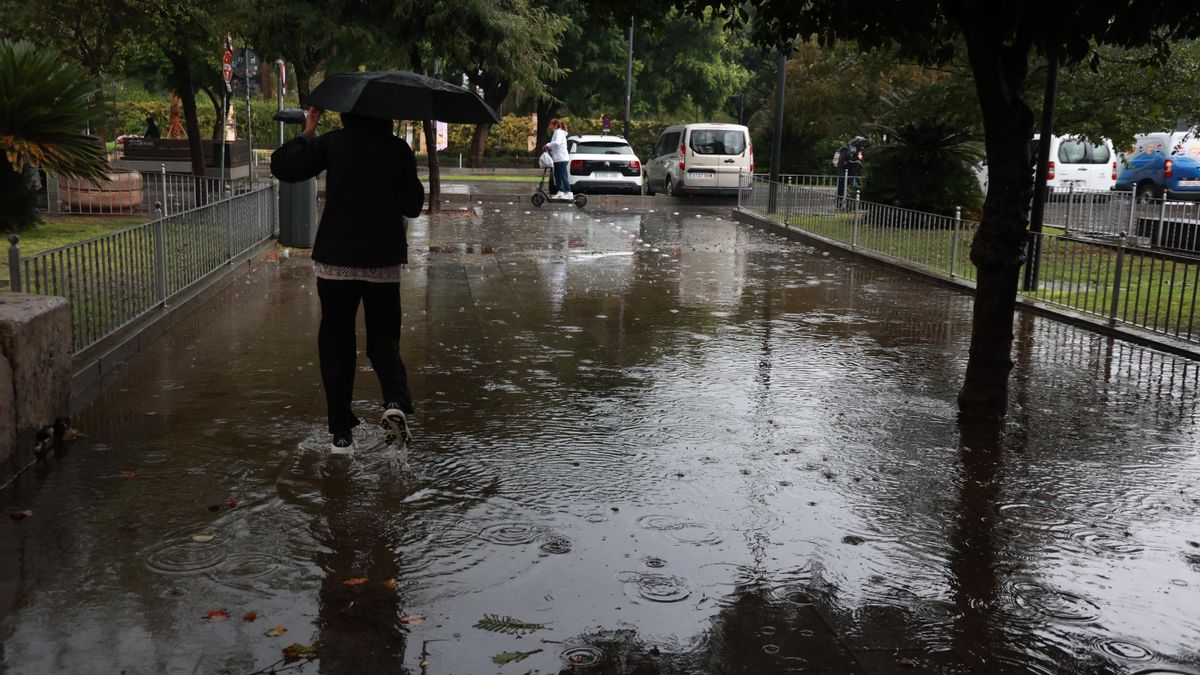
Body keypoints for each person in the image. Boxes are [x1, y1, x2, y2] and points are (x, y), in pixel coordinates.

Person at [270, 107, 425, 453]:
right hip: (382, 261)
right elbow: (413, 206)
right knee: (384, 339)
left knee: (336, 342)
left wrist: (307, 133)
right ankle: (394, 401)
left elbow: (283, 167)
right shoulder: (397, 149)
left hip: (336, 260)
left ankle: (341, 433)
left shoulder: (332, 144)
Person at [543, 118, 572, 202]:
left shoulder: (558, 133)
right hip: (558, 158)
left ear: (555, 125)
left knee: (562, 175)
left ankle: (569, 193)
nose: (549, 126)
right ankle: (560, 192)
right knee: (557, 175)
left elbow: (558, 142)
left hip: (561, 158)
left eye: (551, 125)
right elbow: (556, 145)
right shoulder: (557, 133)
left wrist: (548, 144)